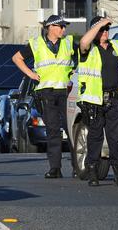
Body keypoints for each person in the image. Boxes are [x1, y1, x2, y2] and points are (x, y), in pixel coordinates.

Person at [12, 15, 75, 179]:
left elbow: (81, 59)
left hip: (65, 91)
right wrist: (31, 74)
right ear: (51, 27)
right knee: (53, 130)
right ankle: (55, 168)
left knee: (71, 129)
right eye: (61, 26)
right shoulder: (36, 43)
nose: (64, 29)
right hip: (46, 91)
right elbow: (16, 58)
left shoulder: (68, 43)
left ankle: (78, 167)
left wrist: (75, 73)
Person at [77, 16, 118, 187]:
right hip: (94, 101)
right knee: (95, 137)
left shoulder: (116, 46)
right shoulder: (89, 49)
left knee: (115, 138)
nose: (105, 32)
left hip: (114, 98)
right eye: (101, 30)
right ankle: (92, 171)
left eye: (107, 29)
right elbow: (84, 42)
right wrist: (99, 24)